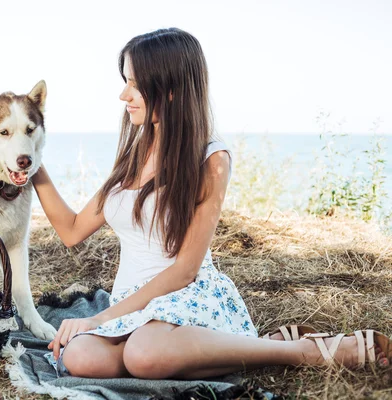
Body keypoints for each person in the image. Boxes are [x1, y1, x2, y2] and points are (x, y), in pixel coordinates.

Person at [31, 27, 390, 379]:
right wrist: (29, 159)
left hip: (186, 297)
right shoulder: (134, 152)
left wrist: (98, 319)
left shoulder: (211, 159)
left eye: (135, 84)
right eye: (124, 80)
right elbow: (72, 230)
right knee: (79, 356)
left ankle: (299, 351)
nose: (123, 94)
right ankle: (217, 350)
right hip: (129, 304)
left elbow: (185, 269)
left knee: (144, 354)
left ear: (171, 88)